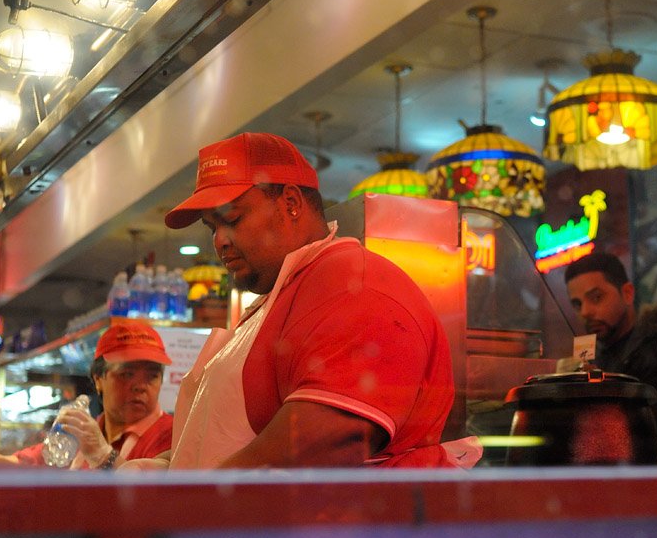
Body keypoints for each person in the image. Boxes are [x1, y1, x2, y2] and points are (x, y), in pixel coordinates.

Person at [148, 131, 478, 469]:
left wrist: (194, 500)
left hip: (361, 519)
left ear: (290, 203)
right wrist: (167, 466)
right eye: (211, 228)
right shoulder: (280, 298)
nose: (220, 241)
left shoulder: (356, 286)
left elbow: (326, 438)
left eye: (232, 219)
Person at [564, 252, 657, 464]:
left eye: (596, 297)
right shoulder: (601, 358)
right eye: (577, 304)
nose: (586, 312)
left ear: (627, 293)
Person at [0, 321, 174, 470]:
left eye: (152, 376)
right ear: (98, 380)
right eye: (127, 374)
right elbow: (24, 464)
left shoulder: (173, 435)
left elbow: (154, 499)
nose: (140, 387)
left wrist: (103, 455)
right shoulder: (86, 432)